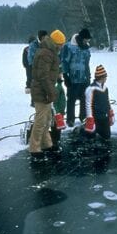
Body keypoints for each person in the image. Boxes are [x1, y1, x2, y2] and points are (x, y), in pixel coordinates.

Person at [29, 29, 66, 158]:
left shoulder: (50, 52)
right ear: (56, 43)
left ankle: (46, 144)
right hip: (42, 90)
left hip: (45, 89)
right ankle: (34, 147)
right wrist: (51, 92)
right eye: (61, 44)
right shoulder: (46, 54)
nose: (62, 47)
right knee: (40, 120)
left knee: (47, 119)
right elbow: (43, 76)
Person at [61, 28, 92, 127]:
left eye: (88, 40)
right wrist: (65, 76)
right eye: (86, 39)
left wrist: (88, 76)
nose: (87, 41)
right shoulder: (69, 46)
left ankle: (83, 117)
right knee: (71, 99)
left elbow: (87, 64)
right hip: (72, 79)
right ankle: (70, 119)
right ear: (81, 38)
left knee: (84, 98)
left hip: (84, 78)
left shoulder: (86, 48)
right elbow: (64, 62)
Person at [84, 65, 114, 140]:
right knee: (90, 137)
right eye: (105, 77)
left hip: (104, 116)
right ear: (101, 77)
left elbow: (107, 101)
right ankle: (82, 129)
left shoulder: (105, 88)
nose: (106, 79)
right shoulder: (91, 89)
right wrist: (90, 118)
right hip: (95, 117)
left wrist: (110, 112)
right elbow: (88, 105)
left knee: (107, 136)